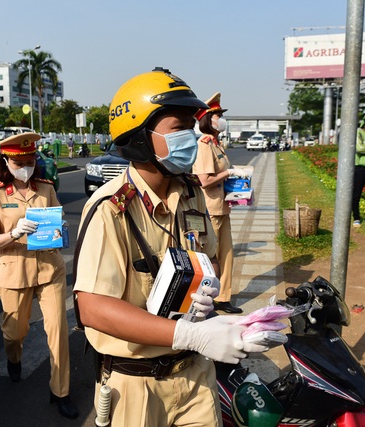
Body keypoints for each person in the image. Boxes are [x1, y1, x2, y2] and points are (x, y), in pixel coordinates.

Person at [73, 67, 268, 427]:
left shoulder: (192, 194)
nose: (191, 138)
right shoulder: (111, 208)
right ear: (139, 137)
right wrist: (190, 334)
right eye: (179, 129)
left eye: (191, 129)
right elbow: (93, 308)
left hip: (196, 374)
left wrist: (230, 325)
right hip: (138, 386)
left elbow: (201, 269)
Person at [0, 132, 79, 420]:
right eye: (20, 161)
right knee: (14, 333)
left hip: (50, 268)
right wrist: (14, 232)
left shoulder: (45, 188)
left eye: (31, 160)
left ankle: (61, 392)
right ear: (7, 161)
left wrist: (60, 228)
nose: (27, 166)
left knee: (58, 332)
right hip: (15, 271)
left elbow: (57, 222)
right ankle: (14, 358)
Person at [192, 92, 243, 314]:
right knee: (208, 256)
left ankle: (223, 297)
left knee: (227, 254)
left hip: (223, 207)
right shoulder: (204, 145)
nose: (221, 119)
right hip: (210, 208)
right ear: (206, 119)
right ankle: (204, 300)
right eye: (217, 115)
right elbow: (205, 180)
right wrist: (229, 172)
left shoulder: (216, 144)